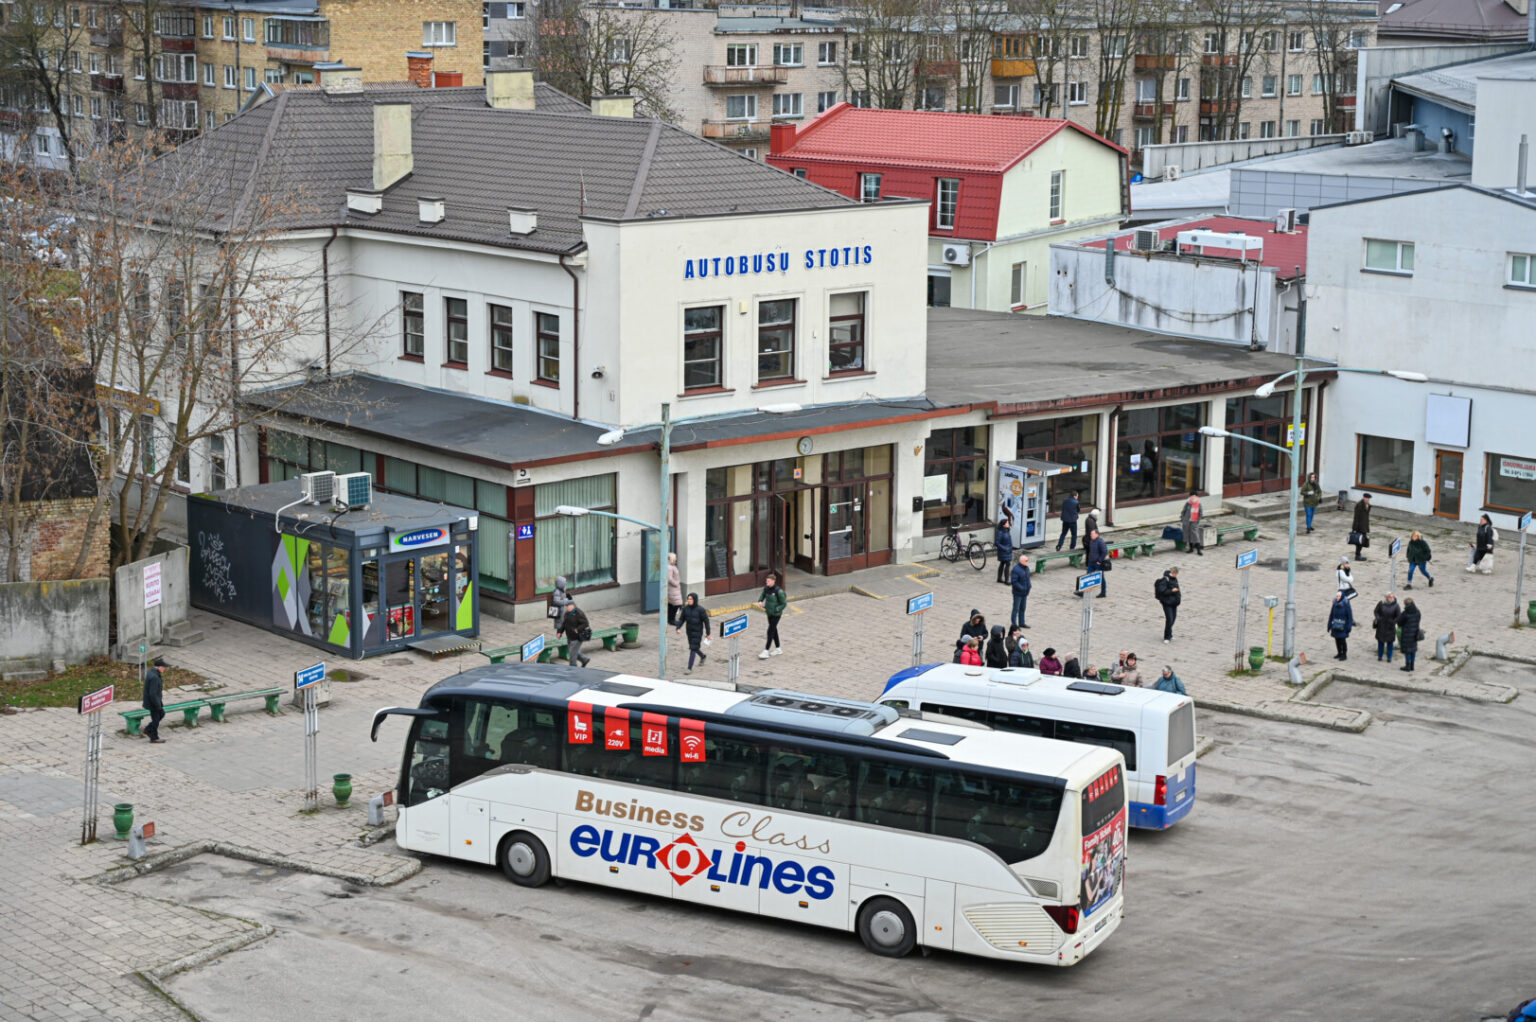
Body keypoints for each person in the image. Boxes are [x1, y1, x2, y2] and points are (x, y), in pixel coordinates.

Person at [674, 592, 711, 674]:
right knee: (694, 647)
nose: (689, 600)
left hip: (698, 632)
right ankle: (703, 656)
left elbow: (706, 622)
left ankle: (689, 668)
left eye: (691, 599)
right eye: (688, 599)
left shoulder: (701, 610)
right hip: (689, 632)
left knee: (693, 649)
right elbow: (681, 619)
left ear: (695, 600)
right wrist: (678, 627)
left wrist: (708, 634)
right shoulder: (685, 609)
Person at [754, 572, 787, 659]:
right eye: (766, 581)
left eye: (768, 581)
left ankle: (766, 651)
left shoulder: (778, 591)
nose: (767, 583)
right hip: (769, 613)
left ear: (773, 581)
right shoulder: (766, 588)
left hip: (776, 615)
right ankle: (778, 649)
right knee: (774, 630)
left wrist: (776, 609)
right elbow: (763, 595)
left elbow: (784, 604)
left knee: (770, 631)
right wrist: (760, 601)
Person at [142, 657, 167, 744]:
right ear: (159, 667)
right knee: (156, 719)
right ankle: (154, 737)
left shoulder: (152, 672)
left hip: (154, 700)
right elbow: (152, 694)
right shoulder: (155, 677)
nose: (165, 669)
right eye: (164, 668)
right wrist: (158, 705)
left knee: (161, 714)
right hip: (153, 702)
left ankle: (148, 729)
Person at [561, 601, 592, 668]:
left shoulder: (579, 613)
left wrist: (577, 629)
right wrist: (559, 632)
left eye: (567, 606)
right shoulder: (567, 613)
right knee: (572, 651)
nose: (566, 607)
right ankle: (584, 660)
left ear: (572, 606)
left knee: (572, 654)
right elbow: (564, 624)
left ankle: (573, 668)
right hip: (569, 636)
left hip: (577, 637)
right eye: (565, 606)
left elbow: (585, 623)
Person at [1155, 566, 1182, 643]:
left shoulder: (1174, 579)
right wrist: (1172, 591)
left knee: (1173, 619)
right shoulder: (1165, 579)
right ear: (1174, 573)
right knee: (1169, 619)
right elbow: (1162, 591)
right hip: (1167, 602)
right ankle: (1166, 637)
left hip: (1174, 602)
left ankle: (1170, 634)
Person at [1372, 593, 1401, 663]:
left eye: (1393, 597)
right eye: (1390, 597)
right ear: (1386, 598)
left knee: (1390, 643)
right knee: (1380, 641)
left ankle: (1389, 657)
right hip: (1381, 625)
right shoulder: (1381, 603)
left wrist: (1393, 622)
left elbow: (1398, 616)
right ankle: (1380, 656)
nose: (1391, 598)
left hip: (1390, 626)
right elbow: (1376, 611)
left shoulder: (1396, 606)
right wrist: (1378, 618)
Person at [1327, 590, 1355, 660]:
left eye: (1339, 596)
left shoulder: (1346, 605)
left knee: (1342, 640)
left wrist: (1349, 626)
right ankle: (1339, 653)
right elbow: (1331, 614)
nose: (1338, 597)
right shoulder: (1335, 604)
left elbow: (1350, 616)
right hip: (1336, 626)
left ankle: (1344, 654)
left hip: (1343, 626)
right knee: (1337, 640)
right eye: (1337, 596)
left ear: (1342, 597)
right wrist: (1329, 625)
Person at [1398, 597, 1423, 673]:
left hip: (1406, 633)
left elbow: (1400, 623)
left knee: (1407, 650)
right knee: (1413, 650)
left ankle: (1407, 665)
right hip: (1415, 632)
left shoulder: (1405, 613)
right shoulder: (1417, 612)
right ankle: (1412, 665)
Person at [1084, 528, 1109, 598]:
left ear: (1097, 534)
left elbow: (1104, 552)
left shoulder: (1100, 541)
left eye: (1092, 534)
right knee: (1088, 577)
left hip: (1098, 564)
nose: (1091, 535)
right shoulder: (1092, 541)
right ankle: (1085, 591)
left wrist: (1099, 561)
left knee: (1101, 578)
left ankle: (1103, 593)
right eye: (1091, 534)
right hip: (1091, 563)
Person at [1009, 552, 1032, 628]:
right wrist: (1022, 588)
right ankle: (1014, 624)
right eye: (1026, 560)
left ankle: (1021, 623)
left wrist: (1029, 586)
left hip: (1025, 593)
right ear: (1021, 561)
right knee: (1016, 608)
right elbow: (1014, 582)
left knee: (1023, 608)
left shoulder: (1027, 568)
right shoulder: (1016, 569)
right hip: (1018, 593)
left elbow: (1028, 578)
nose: (1027, 562)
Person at [995, 510, 1015, 584]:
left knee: (1003, 563)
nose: (1008, 523)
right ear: (1003, 525)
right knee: (1007, 564)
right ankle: (1006, 580)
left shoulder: (1007, 530)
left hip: (1007, 551)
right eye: (1007, 523)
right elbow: (996, 543)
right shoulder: (1000, 532)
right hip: (1004, 551)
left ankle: (999, 578)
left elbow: (1009, 541)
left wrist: (1010, 548)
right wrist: (1005, 548)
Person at [1351, 493, 1372, 560]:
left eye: (1369, 499)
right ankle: (1357, 555)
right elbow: (1356, 517)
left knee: (1362, 541)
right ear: (1364, 498)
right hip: (1359, 527)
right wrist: (1354, 528)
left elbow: (1366, 515)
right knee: (1359, 541)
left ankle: (1358, 554)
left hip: (1364, 526)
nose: (1368, 500)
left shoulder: (1366, 505)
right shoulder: (1359, 505)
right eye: (1367, 498)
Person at [666, 552, 683, 627]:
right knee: (676, 604)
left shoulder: (671, 566)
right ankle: (671, 620)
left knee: (671, 604)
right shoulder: (669, 567)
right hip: (673, 589)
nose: (676, 559)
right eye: (675, 558)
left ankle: (670, 619)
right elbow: (669, 578)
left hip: (674, 589)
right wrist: (676, 583)